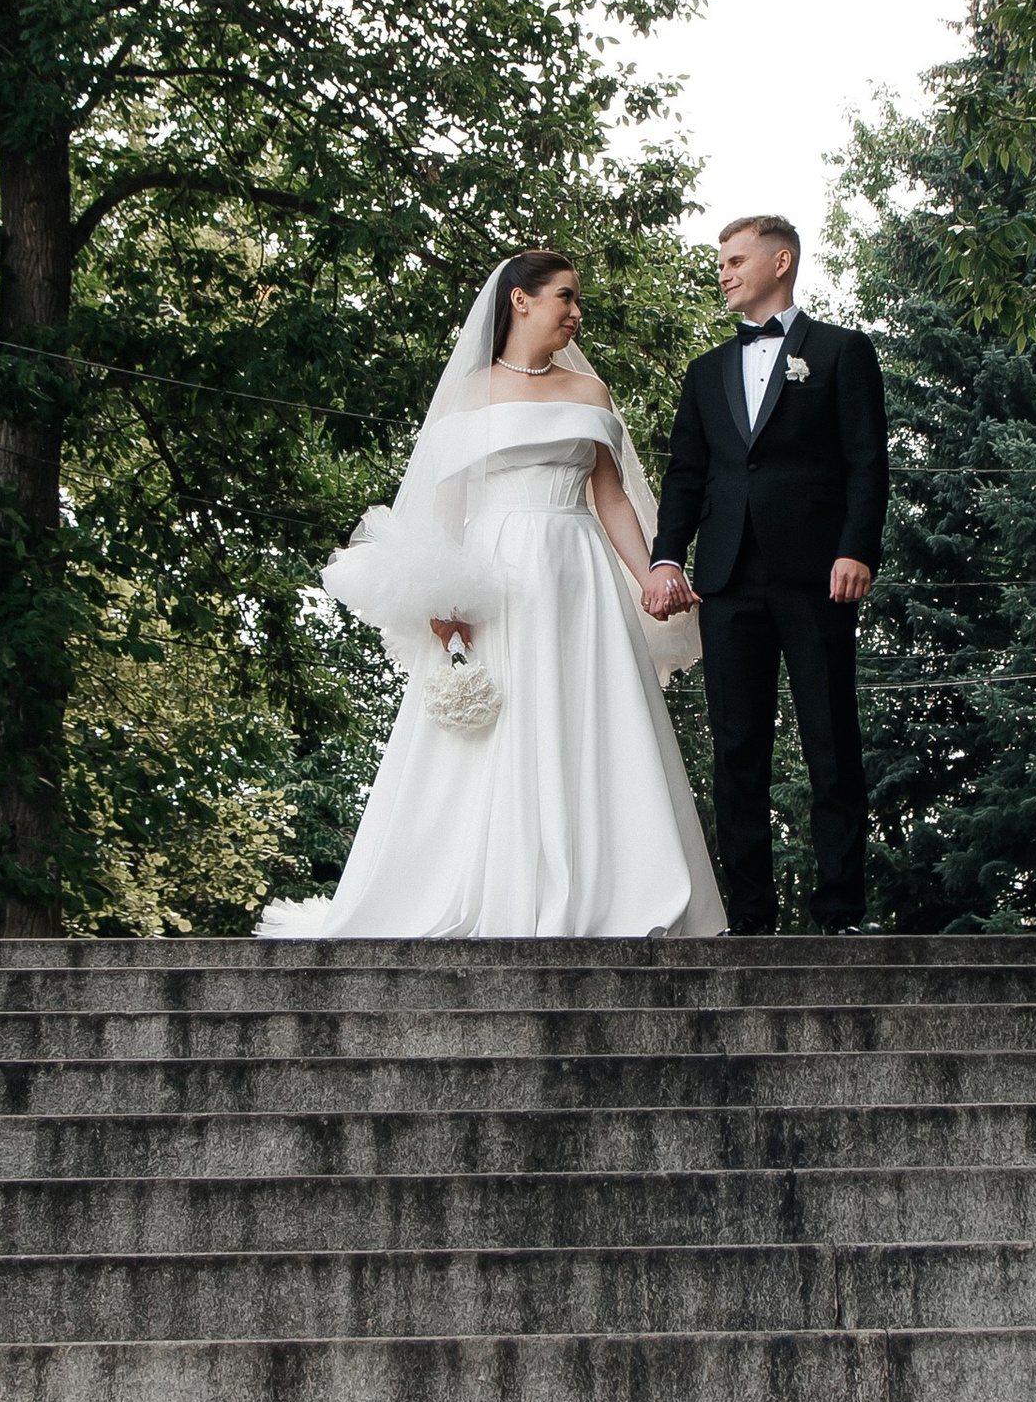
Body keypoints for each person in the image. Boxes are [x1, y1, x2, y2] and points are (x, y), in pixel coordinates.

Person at [257, 252, 724, 940]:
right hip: (497, 576)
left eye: (578, 300)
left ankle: (609, 889)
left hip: (580, 577)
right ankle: (485, 888)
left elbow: (611, 496)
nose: (575, 312)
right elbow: (446, 512)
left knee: (589, 720)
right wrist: (446, 610)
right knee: (498, 727)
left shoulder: (589, 395)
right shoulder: (470, 393)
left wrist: (652, 570)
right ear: (520, 301)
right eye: (565, 296)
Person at [643, 215, 889, 935]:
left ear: (781, 262)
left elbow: (867, 461)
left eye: (735, 259)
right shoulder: (706, 372)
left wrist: (858, 549)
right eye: (721, 261)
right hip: (726, 579)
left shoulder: (843, 352)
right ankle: (750, 918)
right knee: (736, 746)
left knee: (830, 740)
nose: (723, 272)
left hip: (818, 574)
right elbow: (687, 473)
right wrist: (667, 555)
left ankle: (841, 911)